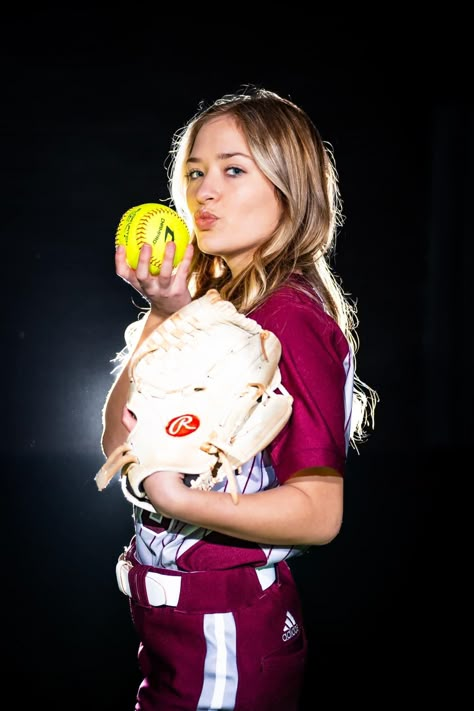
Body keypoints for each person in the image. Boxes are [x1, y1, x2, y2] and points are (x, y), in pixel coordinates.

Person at [100, 86, 378, 711]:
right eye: (195, 171)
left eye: (233, 170)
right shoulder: (216, 309)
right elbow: (118, 439)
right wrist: (162, 314)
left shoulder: (291, 316)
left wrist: (176, 496)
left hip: (227, 624)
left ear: (289, 188)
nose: (204, 191)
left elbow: (319, 513)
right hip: (174, 620)